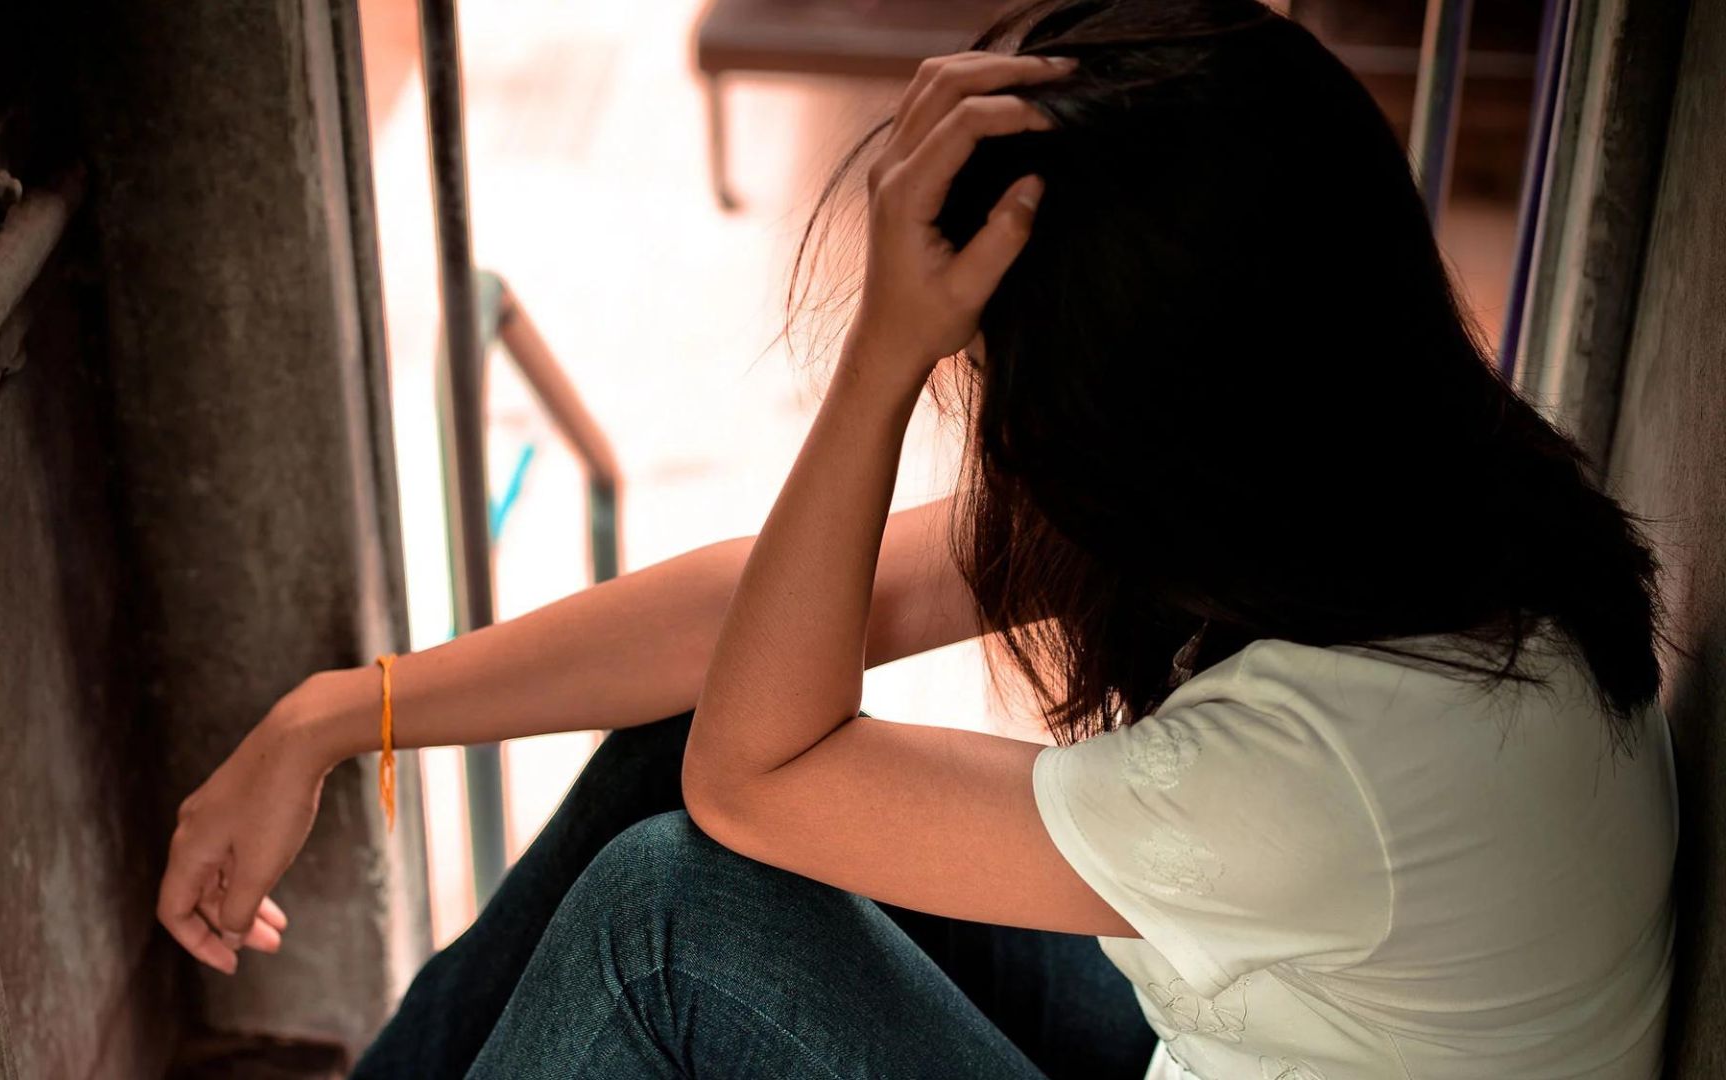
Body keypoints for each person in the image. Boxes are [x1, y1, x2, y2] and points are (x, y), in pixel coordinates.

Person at [157, 1, 1678, 1076]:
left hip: (1247, 1018)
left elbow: (755, 782)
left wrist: (880, 361)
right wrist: (341, 717)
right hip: (1256, 1027)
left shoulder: (1312, 776)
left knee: (665, 919)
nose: (995, 427)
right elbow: (766, 640)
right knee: (681, 752)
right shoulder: (1396, 478)